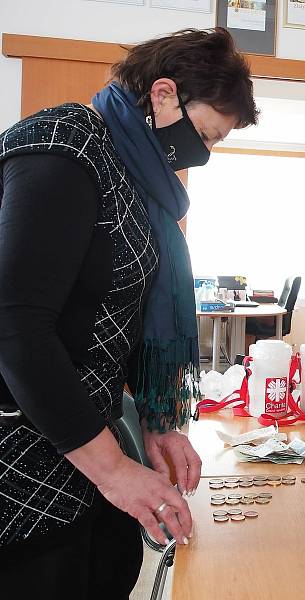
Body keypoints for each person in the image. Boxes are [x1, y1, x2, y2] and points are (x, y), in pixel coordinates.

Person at [0, 28, 258, 597]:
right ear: (163, 94)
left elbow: (122, 315)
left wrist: (158, 421)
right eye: (205, 136)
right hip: (25, 462)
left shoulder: (136, 178)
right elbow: (17, 328)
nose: (203, 154)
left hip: (90, 440)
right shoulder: (64, 144)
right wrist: (116, 471)